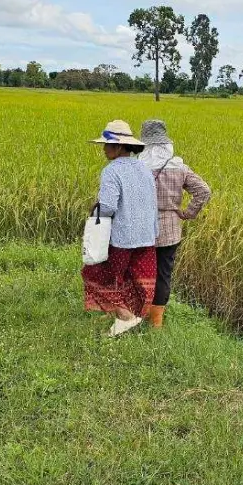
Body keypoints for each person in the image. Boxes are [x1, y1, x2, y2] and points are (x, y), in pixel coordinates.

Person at [81, 120, 158, 337]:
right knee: (135, 277)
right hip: (147, 235)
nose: (104, 149)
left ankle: (125, 316)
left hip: (122, 237)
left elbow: (107, 207)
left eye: (107, 145)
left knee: (97, 274)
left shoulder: (111, 171)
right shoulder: (144, 167)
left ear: (119, 146)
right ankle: (127, 312)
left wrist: (95, 209)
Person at [139, 119, 212, 328]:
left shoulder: (138, 167)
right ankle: (156, 322)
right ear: (165, 143)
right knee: (163, 273)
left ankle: (139, 312)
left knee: (141, 270)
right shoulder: (179, 167)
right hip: (170, 230)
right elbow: (203, 191)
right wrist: (188, 213)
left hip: (141, 228)